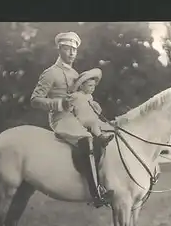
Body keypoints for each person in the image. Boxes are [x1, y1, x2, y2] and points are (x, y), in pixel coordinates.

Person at [29, 31, 112, 208]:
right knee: (86, 139)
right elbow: (35, 100)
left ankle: (109, 181)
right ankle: (95, 192)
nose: (72, 53)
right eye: (67, 49)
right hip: (61, 118)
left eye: (74, 49)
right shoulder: (50, 73)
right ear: (59, 49)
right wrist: (59, 104)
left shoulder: (75, 74)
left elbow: (83, 96)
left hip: (80, 116)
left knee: (107, 134)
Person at [68, 68, 114, 146]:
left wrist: (97, 108)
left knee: (100, 123)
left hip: (90, 117)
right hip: (82, 119)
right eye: (90, 86)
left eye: (94, 86)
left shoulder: (90, 96)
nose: (92, 88)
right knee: (94, 123)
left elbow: (94, 110)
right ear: (81, 86)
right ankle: (101, 138)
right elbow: (69, 106)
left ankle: (108, 134)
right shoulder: (76, 96)